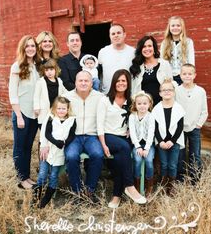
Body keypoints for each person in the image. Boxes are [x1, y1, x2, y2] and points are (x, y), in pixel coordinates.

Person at [97, 69, 146, 208]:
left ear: (128, 83)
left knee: (120, 159)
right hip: (108, 136)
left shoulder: (131, 101)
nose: (121, 83)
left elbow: (137, 118)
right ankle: (130, 186)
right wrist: (103, 144)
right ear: (114, 82)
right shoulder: (105, 100)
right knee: (124, 148)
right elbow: (99, 124)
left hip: (124, 137)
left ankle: (116, 196)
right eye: (118, 80)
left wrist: (131, 129)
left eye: (123, 80)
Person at [64, 71, 104, 202]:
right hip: (73, 136)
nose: (83, 83)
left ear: (92, 83)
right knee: (71, 156)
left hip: (92, 136)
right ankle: (77, 191)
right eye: (80, 80)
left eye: (86, 81)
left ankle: (89, 190)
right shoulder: (66, 97)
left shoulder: (100, 97)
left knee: (98, 154)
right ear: (75, 82)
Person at [9, 35, 40, 189]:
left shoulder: (36, 67)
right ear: (23, 48)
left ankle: (27, 177)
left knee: (28, 146)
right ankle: (21, 180)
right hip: (22, 113)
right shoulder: (17, 66)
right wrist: (19, 116)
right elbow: (13, 94)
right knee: (20, 147)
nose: (30, 48)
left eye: (33, 46)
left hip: (34, 114)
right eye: (27, 46)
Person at [33, 96, 76, 208]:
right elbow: (47, 133)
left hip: (60, 152)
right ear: (54, 109)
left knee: (53, 176)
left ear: (67, 109)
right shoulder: (51, 118)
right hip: (48, 149)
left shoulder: (72, 120)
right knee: (42, 174)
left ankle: (46, 198)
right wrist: (56, 142)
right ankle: (36, 197)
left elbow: (72, 135)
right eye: (59, 108)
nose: (61, 111)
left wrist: (65, 142)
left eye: (64, 109)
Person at [147, 78, 185, 195]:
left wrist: (172, 141)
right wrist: (160, 141)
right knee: (164, 164)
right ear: (160, 93)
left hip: (175, 142)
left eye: (169, 90)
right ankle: (163, 185)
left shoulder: (179, 108)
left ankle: (171, 187)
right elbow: (155, 128)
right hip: (162, 142)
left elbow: (180, 127)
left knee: (173, 165)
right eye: (164, 90)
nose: (167, 92)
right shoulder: (157, 109)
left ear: (173, 92)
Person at [175, 64, 208, 184]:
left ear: (194, 75)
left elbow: (204, 111)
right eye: (184, 73)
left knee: (195, 155)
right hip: (180, 129)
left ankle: (195, 181)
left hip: (195, 128)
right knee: (180, 154)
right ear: (180, 75)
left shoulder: (200, 91)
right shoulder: (177, 90)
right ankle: (180, 179)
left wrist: (199, 124)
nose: (187, 76)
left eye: (190, 74)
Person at [130, 35, 172, 106]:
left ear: (154, 48)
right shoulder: (136, 67)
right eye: (144, 46)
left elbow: (171, 86)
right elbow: (134, 91)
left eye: (149, 46)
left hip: (162, 106)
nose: (147, 49)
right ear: (140, 49)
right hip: (144, 108)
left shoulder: (164, 64)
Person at [129, 91, 155, 197]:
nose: (142, 106)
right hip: (137, 145)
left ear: (149, 104)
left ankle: (149, 186)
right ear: (135, 104)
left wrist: (147, 148)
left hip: (148, 144)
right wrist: (138, 147)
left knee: (149, 161)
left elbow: (151, 133)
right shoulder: (132, 116)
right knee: (137, 160)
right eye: (139, 103)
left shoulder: (151, 116)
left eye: (145, 103)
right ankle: (137, 185)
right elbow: (132, 133)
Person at [98, 24, 135, 94]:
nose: (116, 35)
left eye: (119, 33)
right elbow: (100, 73)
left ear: (124, 34)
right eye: (113, 34)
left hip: (127, 95)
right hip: (107, 94)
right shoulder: (103, 52)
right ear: (110, 36)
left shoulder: (133, 52)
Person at [160, 16, 195, 85]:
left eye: (178, 25)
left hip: (184, 77)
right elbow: (162, 62)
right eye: (173, 25)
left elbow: (191, 61)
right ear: (169, 28)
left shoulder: (188, 42)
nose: (175, 28)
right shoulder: (164, 43)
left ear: (182, 27)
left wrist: (189, 77)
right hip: (169, 77)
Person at [33, 59, 68, 125]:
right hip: (45, 108)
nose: (49, 72)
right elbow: (36, 96)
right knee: (45, 126)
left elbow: (65, 92)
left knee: (54, 126)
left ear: (56, 69)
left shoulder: (59, 81)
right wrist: (36, 107)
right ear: (44, 71)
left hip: (55, 108)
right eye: (46, 70)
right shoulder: (41, 82)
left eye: (51, 69)